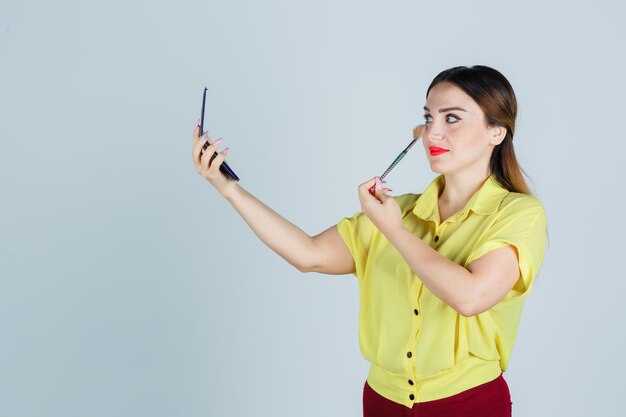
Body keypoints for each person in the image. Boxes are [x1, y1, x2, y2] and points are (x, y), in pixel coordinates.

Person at [190, 65, 547, 417]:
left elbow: (471, 297)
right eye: (428, 118)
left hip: (469, 404)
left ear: (496, 132)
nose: (432, 133)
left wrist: (395, 232)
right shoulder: (398, 211)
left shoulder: (518, 213)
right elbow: (308, 254)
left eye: (451, 118)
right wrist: (228, 189)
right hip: (382, 402)